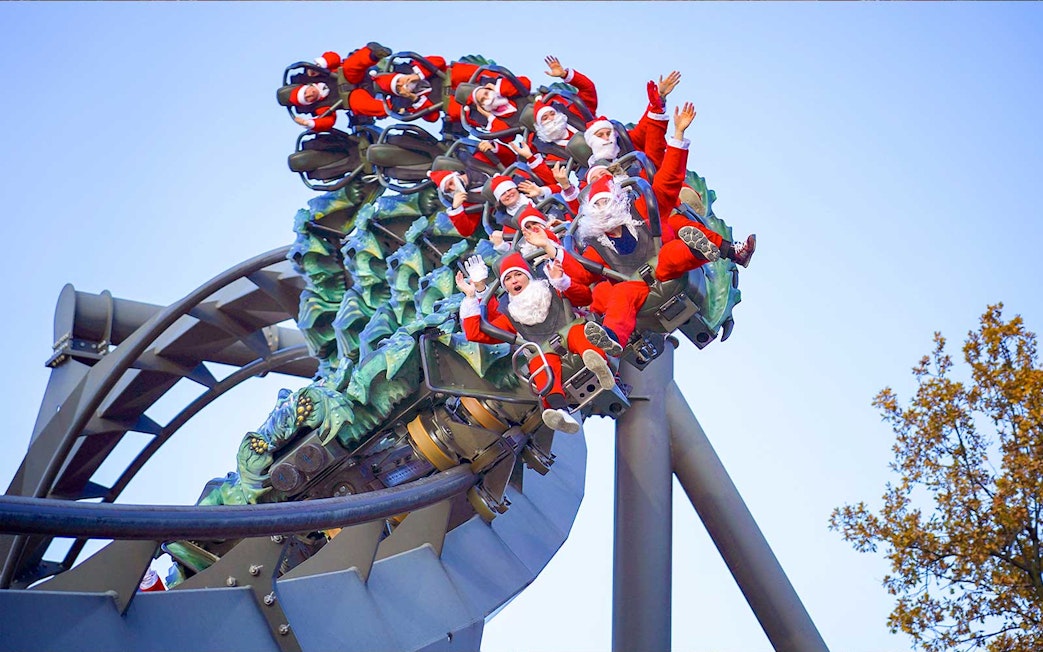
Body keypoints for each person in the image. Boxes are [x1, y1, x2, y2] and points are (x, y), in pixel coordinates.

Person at [455, 253, 618, 434]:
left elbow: (585, 297)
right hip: (544, 351)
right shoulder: (510, 315)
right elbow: (477, 333)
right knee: (540, 364)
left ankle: (599, 365)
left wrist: (562, 281)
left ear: (528, 275)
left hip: (571, 331)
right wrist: (472, 294)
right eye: (508, 278)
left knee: (578, 334)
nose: (514, 281)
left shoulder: (551, 288)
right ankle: (559, 410)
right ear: (505, 287)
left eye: (518, 274)